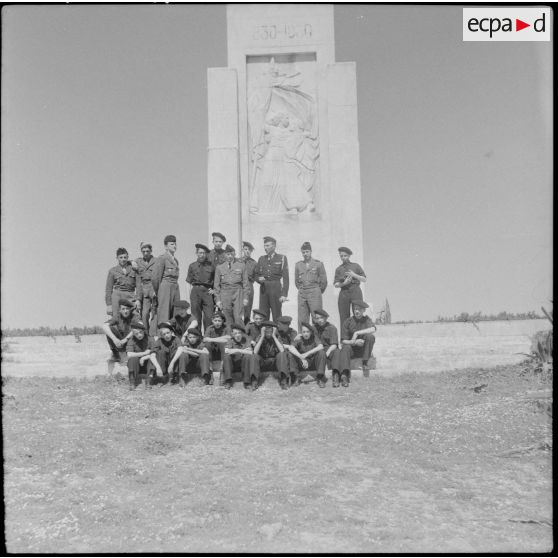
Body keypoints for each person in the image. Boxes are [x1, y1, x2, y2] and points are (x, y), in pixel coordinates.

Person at [339, 300, 376, 387]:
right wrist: (354, 342)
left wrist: (357, 333)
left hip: (363, 350)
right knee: (345, 347)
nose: (357, 311)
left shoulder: (366, 320)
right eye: (355, 309)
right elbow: (343, 340)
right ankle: (345, 374)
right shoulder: (348, 322)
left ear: (364, 311)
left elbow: (373, 329)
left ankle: (365, 363)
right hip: (352, 350)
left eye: (359, 309)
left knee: (370, 337)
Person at [294, 241, 327, 330]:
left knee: (317, 316)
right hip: (302, 293)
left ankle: (318, 339)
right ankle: (302, 339)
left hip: (314, 292)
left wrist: (318, 291)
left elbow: (324, 281)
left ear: (311, 251)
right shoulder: (298, 265)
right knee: (302, 317)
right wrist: (302, 289)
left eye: (307, 252)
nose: (305, 254)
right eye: (303, 252)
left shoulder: (318, 264)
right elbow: (296, 281)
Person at [255, 236, 289, 321]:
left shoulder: (282, 258)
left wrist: (284, 294)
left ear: (274, 246)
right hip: (264, 289)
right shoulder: (261, 258)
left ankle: (277, 333)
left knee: (277, 314)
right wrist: (259, 279)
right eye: (264, 245)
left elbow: (286, 278)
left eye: (267, 245)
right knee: (263, 313)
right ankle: (264, 333)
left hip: (276, 288)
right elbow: (256, 274)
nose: (265, 248)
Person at [214, 245, 249, 326]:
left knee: (238, 317)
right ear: (225, 255)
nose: (229, 256)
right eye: (228, 254)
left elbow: (245, 283)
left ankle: (240, 336)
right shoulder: (219, 267)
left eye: (231, 254)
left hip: (238, 292)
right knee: (227, 317)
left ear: (234, 254)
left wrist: (245, 297)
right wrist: (218, 300)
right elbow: (216, 285)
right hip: (225, 293)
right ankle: (229, 336)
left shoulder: (241, 265)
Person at [333, 247, 367, 327]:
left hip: (355, 290)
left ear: (349, 256)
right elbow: (336, 284)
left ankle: (359, 336)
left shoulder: (356, 266)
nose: (343, 258)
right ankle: (344, 338)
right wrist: (344, 283)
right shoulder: (339, 269)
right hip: (344, 292)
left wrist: (354, 275)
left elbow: (364, 279)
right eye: (341, 256)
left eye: (345, 255)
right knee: (344, 316)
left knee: (358, 313)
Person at [252, 321, 291, 390]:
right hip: (263, 362)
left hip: (275, 363)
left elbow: (282, 350)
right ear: (263, 331)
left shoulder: (277, 337)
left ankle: (283, 381)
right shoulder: (260, 337)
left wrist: (274, 336)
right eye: (266, 331)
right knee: (254, 356)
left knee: (282, 355)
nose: (268, 334)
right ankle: (254, 382)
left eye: (270, 331)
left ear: (273, 331)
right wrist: (262, 336)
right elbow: (255, 352)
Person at [186, 243, 215, 332]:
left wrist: (214, 290)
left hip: (207, 292)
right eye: (200, 253)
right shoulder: (192, 265)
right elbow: (188, 282)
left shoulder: (212, 266)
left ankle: (207, 337)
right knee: (195, 317)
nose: (202, 255)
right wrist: (188, 297)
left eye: (204, 253)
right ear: (197, 253)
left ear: (206, 254)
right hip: (195, 291)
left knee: (209, 317)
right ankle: (197, 338)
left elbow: (216, 281)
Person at [105, 247, 141, 318]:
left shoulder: (134, 269)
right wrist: (109, 305)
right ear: (117, 258)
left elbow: (139, 285)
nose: (123, 259)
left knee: (135, 317)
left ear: (128, 257)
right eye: (121, 257)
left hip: (130, 295)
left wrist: (138, 300)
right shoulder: (112, 271)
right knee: (117, 318)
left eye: (125, 257)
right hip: (117, 295)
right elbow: (108, 289)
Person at [152, 235, 180, 324]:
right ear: (166, 246)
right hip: (165, 286)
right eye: (172, 244)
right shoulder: (162, 258)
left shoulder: (176, 260)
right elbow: (155, 277)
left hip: (175, 287)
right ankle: (162, 334)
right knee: (164, 312)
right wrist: (158, 291)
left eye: (175, 244)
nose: (174, 246)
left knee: (175, 311)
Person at [289, 322, 327, 388]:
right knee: (291, 354)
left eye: (307, 332)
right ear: (301, 332)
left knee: (322, 352)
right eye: (304, 332)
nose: (305, 334)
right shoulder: (299, 338)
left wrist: (306, 354)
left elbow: (321, 346)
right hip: (302, 363)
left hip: (313, 363)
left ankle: (320, 378)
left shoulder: (314, 337)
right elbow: (291, 348)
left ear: (311, 332)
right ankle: (296, 378)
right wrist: (301, 357)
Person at [222, 323, 257, 390]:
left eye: (239, 333)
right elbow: (226, 351)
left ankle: (247, 382)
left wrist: (236, 350)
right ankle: (228, 381)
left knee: (247, 356)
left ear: (242, 334)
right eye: (235, 333)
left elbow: (250, 352)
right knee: (226, 357)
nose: (238, 335)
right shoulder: (230, 340)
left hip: (244, 364)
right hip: (233, 364)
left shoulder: (247, 339)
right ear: (232, 334)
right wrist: (243, 350)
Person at [313, 309, 342, 384]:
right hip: (319, 350)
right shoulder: (314, 328)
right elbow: (317, 343)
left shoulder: (332, 328)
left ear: (326, 318)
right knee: (321, 352)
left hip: (330, 349)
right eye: (317, 318)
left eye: (321, 318)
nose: (319, 320)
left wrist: (328, 352)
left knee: (337, 351)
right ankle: (321, 376)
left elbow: (334, 344)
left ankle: (336, 374)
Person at [134, 242, 158, 337]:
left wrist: (157, 290)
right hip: (144, 288)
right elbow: (129, 263)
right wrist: (132, 262)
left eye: (147, 251)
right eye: (143, 251)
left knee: (155, 313)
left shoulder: (156, 260)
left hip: (154, 287)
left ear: (151, 251)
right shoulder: (138, 261)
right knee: (144, 314)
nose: (145, 253)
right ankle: (146, 334)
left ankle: (153, 334)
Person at [126, 320, 157, 390]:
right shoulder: (131, 340)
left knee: (152, 360)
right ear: (133, 334)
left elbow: (154, 354)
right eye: (136, 333)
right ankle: (132, 382)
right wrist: (144, 353)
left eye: (140, 332)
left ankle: (149, 381)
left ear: (144, 331)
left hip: (147, 365)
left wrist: (144, 358)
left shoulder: (150, 339)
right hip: (136, 365)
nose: (139, 335)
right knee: (132, 359)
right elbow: (129, 355)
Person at [102, 298, 135, 363]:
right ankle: (115, 354)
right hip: (120, 342)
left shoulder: (134, 316)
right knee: (110, 329)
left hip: (131, 343)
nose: (125, 311)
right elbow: (104, 325)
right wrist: (115, 339)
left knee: (136, 330)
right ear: (120, 310)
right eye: (123, 309)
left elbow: (139, 326)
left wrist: (125, 340)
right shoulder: (117, 316)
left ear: (130, 310)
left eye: (127, 309)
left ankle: (129, 355)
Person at [203, 311, 231, 383]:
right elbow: (205, 339)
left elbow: (228, 337)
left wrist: (212, 339)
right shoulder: (209, 328)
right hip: (213, 351)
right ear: (212, 321)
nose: (217, 323)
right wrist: (221, 339)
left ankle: (222, 371)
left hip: (223, 351)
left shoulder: (226, 328)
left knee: (223, 344)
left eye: (219, 321)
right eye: (215, 321)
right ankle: (210, 371)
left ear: (223, 321)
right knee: (207, 344)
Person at [275, 315, 299, 385]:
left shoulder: (293, 332)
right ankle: (284, 377)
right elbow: (280, 346)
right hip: (280, 353)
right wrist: (288, 347)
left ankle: (294, 375)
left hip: (291, 353)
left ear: (286, 325)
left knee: (291, 355)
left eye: (279, 324)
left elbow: (293, 346)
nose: (278, 326)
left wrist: (288, 347)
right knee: (282, 355)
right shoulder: (277, 332)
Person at [240, 241, 257, 324]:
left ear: (251, 251)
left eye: (249, 250)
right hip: (239, 286)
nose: (247, 251)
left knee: (248, 308)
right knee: (238, 308)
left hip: (249, 285)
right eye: (245, 249)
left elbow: (255, 276)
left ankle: (246, 328)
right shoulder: (237, 261)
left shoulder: (254, 263)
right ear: (243, 249)